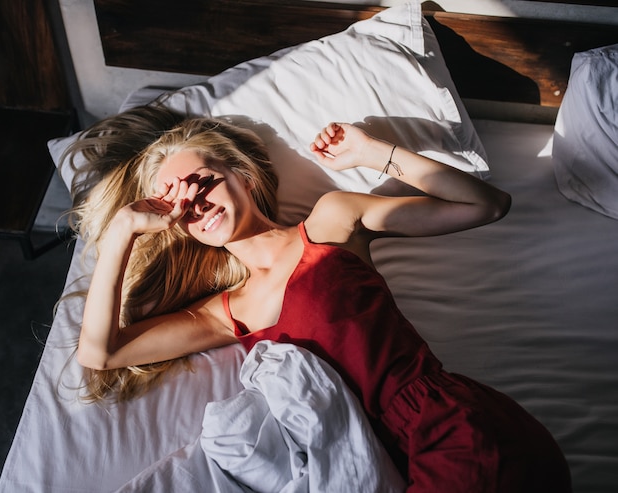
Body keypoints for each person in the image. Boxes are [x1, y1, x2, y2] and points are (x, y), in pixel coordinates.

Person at [73, 116, 571, 492]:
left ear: (244, 175)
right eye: (178, 204)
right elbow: (101, 352)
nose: (196, 204)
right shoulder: (227, 312)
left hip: (456, 430)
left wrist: (371, 152)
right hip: (381, 465)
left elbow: (486, 205)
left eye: (202, 182)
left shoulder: (330, 221)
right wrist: (124, 232)